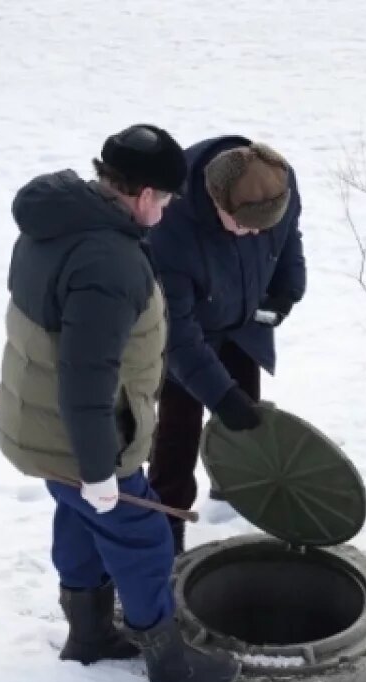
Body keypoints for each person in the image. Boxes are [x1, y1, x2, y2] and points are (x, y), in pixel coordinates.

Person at [0, 124, 240, 682]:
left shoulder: (56, 220)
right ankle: (168, 659)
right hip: (82, 434)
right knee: (142, 534)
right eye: (169, 199)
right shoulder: (108, 261)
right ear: (146, 195)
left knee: (80, 516)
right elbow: (86, 376)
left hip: (39, 425)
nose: (170, 210)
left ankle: (89, 633)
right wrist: (101, 469)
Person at [146, 136, 307, 552]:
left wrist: (287, 288)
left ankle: (235, 486)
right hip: (190, 331)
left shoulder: (278, 184)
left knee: (245, 413)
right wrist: (219, 395)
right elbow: (177, 333)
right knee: (177, 436)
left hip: (242, 321)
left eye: (260, 227)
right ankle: (168, 527)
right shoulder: (171, 224)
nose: (253, 233)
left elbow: (288, 236)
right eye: (244, 225)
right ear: (217, 202)